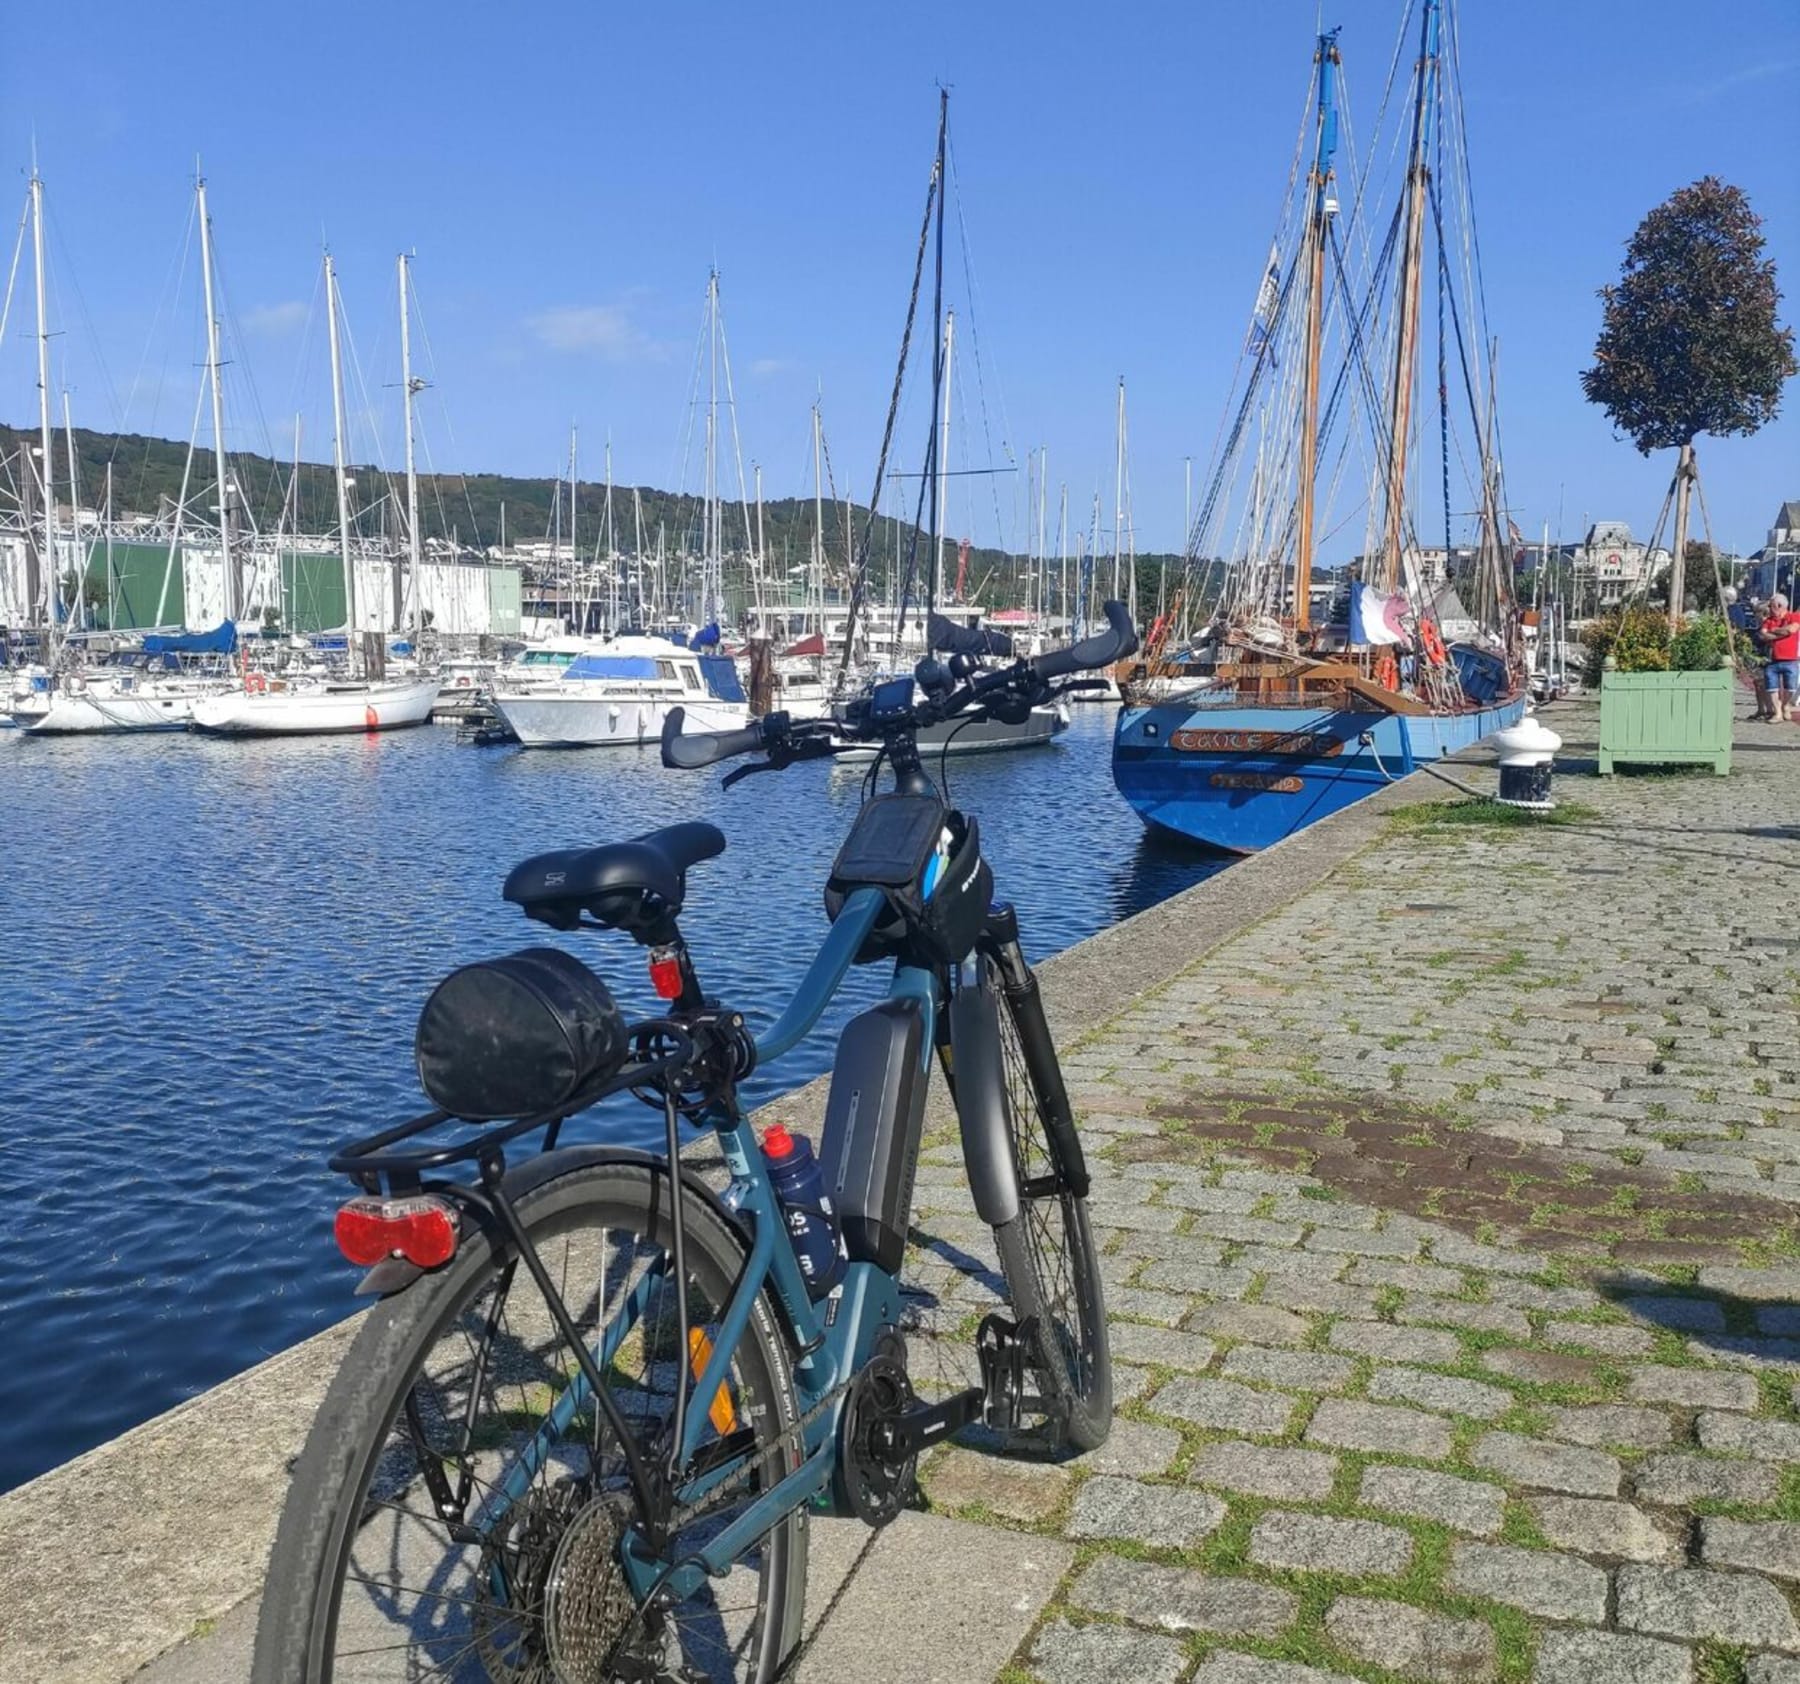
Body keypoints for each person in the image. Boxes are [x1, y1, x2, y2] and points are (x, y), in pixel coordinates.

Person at [1762, 594, 1800, 723]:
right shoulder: (1768, 620)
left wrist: (1774, 630)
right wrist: (1783, 632)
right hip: (1772, 660)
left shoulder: (1794, 616)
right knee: (1772, 687)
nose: (1769, 608)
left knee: (1791, 687)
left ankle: (1785, 706)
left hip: (1790, 659)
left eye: (1771, 605)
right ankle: (1778, 713)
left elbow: (1792, 629)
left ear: (1779, 606)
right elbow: (1764, 635)